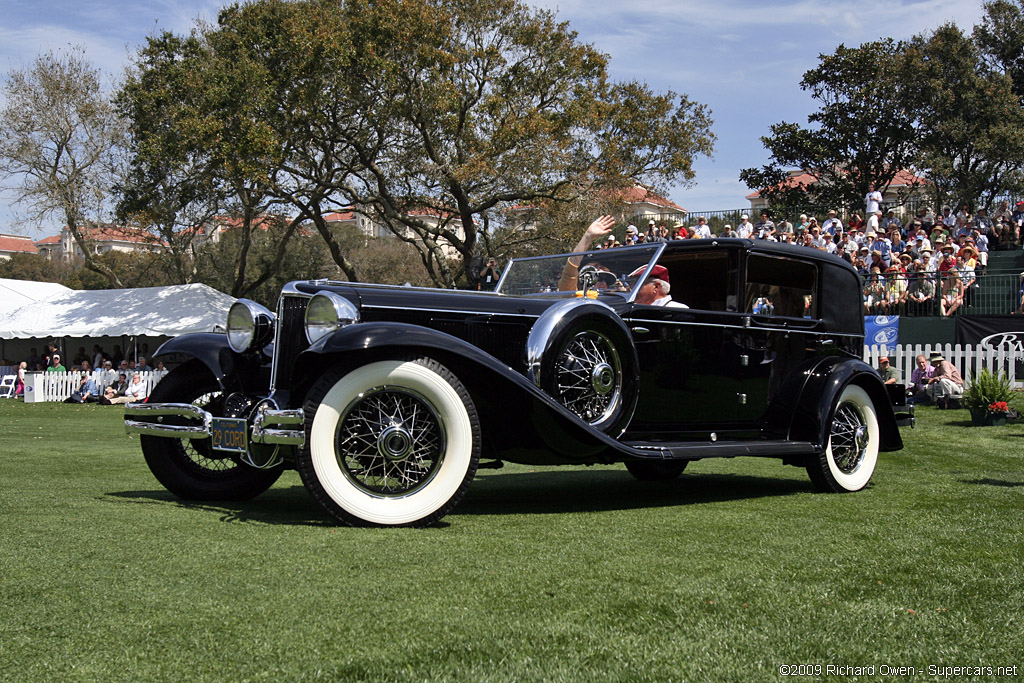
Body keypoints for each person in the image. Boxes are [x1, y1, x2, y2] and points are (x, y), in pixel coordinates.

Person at [557, 215, 617, 291]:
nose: (603, 283)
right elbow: (570, 272)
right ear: (584, 280)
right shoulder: (575, 297)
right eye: (598, 278)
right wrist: (588, 236)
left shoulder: (612, 299)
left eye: (606, 281)